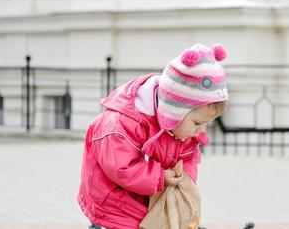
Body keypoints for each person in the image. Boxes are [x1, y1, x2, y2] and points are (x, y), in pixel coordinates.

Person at [77, 43, 229, 229]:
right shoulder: (120, 125)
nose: (201, 129)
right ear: (175, 112)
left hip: (145, 196)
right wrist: (159, 177)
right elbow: (121, 168)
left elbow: (186, 159)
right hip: (113, 201)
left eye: (206, 123)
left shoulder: (181, 127)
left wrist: (184, 183)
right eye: (197, 123)